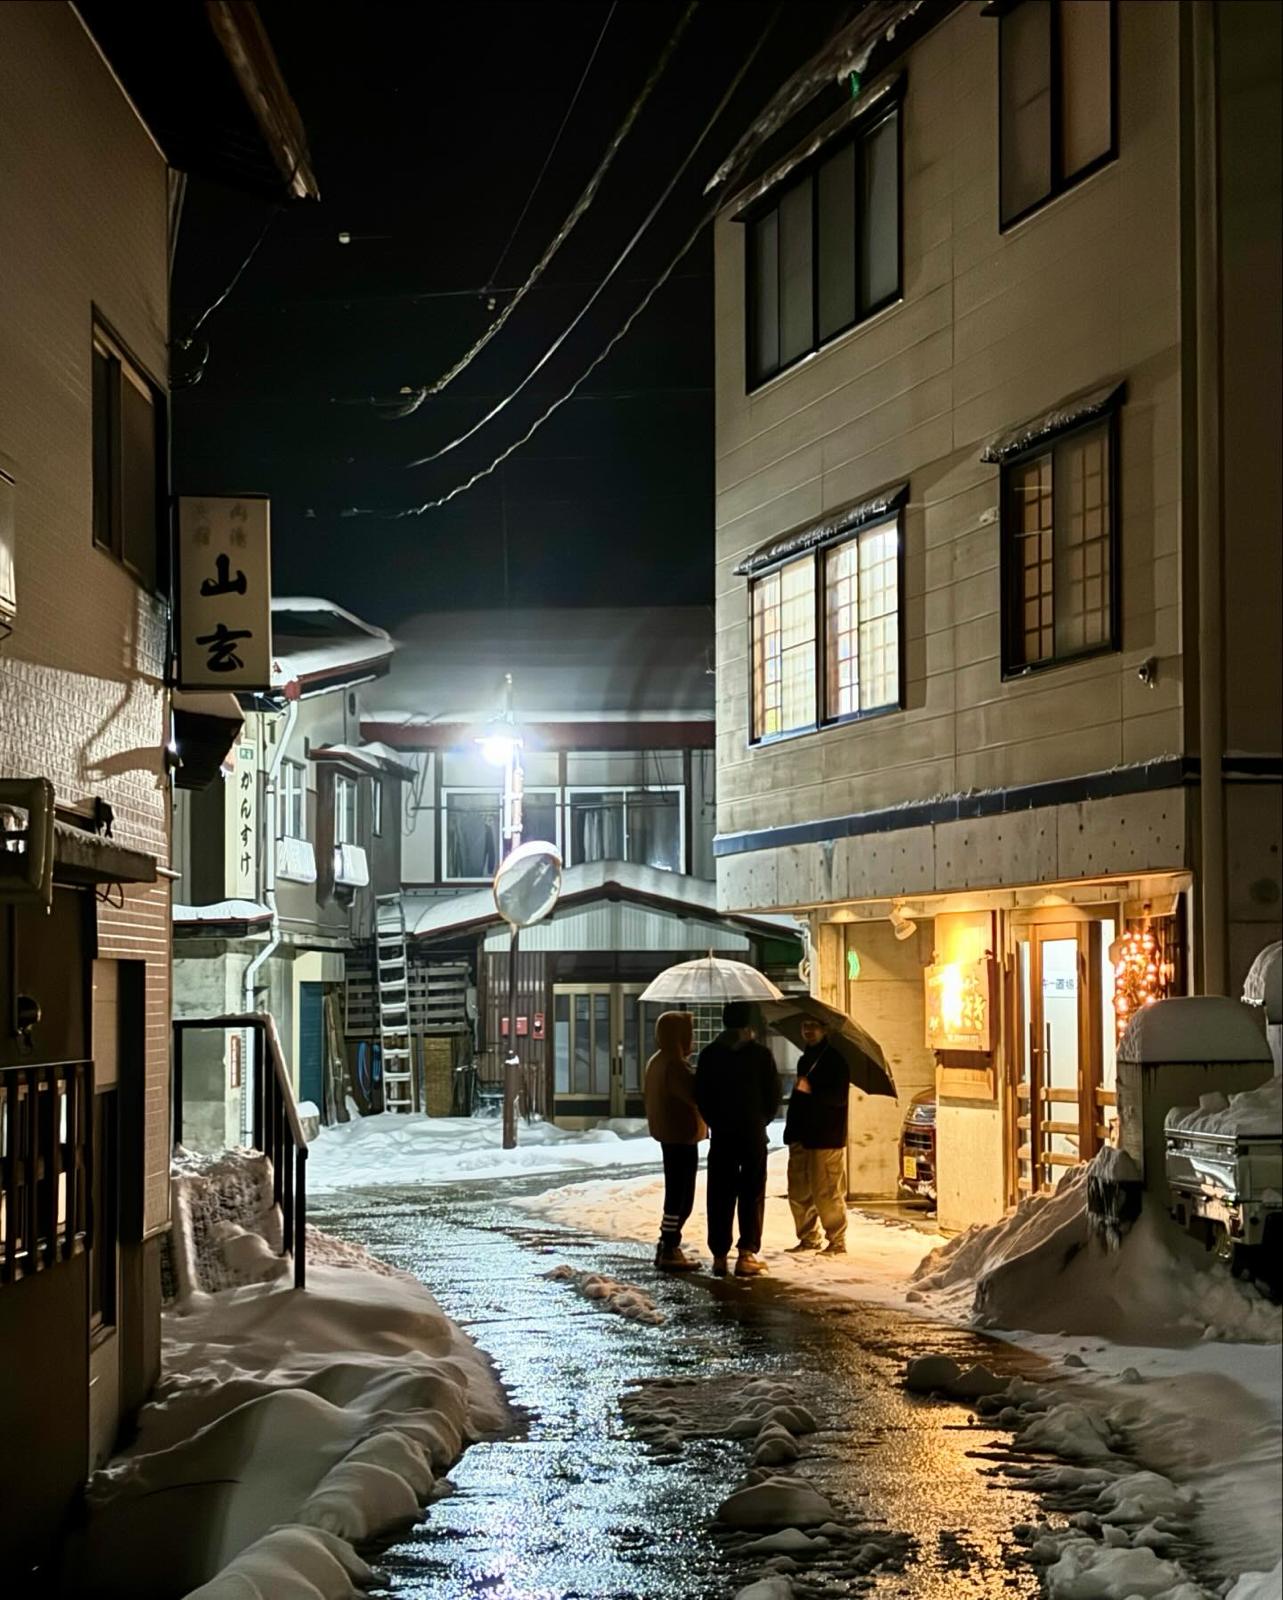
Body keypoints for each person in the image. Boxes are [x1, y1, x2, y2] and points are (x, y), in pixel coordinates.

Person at [694, 1000, 780, 1277]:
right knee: (752, 1192)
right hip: (752, 1134)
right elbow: (773, 1097)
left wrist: (716, 1121)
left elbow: (702, 1095)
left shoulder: (709, 1055)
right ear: (748, 1025)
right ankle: (747, 1253)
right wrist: (759, 1120)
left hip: (722, 1136)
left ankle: (719, 1255)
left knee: (720, 1193)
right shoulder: (760, 1055)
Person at [643, 1010, 706, 1271]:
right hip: (681, 1135)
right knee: (681, 1195)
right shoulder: (674, 1064)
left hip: (669, 1133)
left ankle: (668, 1245)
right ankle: (670, 1244)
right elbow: (694, 1094)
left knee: (676, 1190)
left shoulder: (658, 1061)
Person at [783, 1016, 850, 1255]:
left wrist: (812, 1090)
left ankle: (837, 1240)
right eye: (805, 1025)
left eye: (813, 1025)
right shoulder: (805, 1060)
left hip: (825, 1136)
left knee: (827, 1192)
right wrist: (790, 1132)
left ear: (825, 1029)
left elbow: (839, 1098)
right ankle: (808, 1237)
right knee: (798, 1190)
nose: (808, 1030)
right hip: (801, 1134)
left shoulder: (836, 1061)